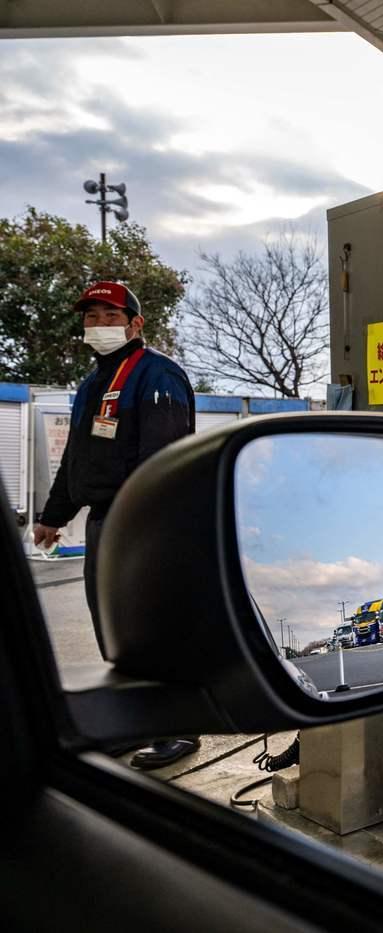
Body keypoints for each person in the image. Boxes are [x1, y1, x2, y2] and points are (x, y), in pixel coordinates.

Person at [32, 281, 201, 771]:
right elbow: (78, 458)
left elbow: (161, 462)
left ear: (135, 323)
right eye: (92, 316)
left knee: (151, 630)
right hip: (105, 521)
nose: (99, 325)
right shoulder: (92, 385)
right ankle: (134, 722)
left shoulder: (157, 375)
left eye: (110, 315)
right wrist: (53, 516)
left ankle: (177, 727)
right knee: (114, 630)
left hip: (147, 522)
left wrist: (144, 525)